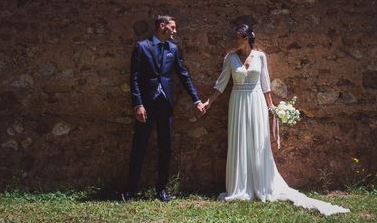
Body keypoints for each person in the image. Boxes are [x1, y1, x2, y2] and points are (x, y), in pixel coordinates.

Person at [203, 24, 350, 216]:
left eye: (238, 37)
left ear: (247, 38)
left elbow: (265, 84)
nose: (234, 41)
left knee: (257, 143)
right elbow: (221, 84)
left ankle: (262, 184)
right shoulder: (230, 58)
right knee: (240, 142)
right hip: (238, 101)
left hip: (256, 102)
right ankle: (239, 187)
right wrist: (208, 102)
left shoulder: (260, 57)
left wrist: (271, 107)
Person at [123, 15, 206, 202]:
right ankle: (130, 189)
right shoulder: (141, 47)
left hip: (166, 105)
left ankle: (161, 190)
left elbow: (184, 75)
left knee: (165, 148)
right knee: (139, 147)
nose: (175, 31)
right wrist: (138, 104)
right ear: (162, 26)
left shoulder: (173, 49)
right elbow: (134, 78)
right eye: (173, 27)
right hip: (146, 105)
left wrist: (196, 100)